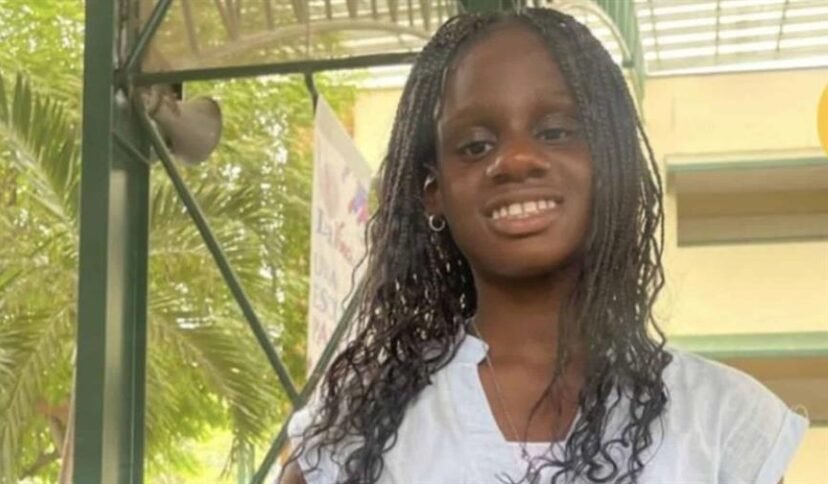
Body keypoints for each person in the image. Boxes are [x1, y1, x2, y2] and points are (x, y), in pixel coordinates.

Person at [279, 7, 808, 484]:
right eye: (475, 145)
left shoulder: (724, 424)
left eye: (555, 132)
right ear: (433, 191)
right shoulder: (353, 429)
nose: (515, 160)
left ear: (609, 165)